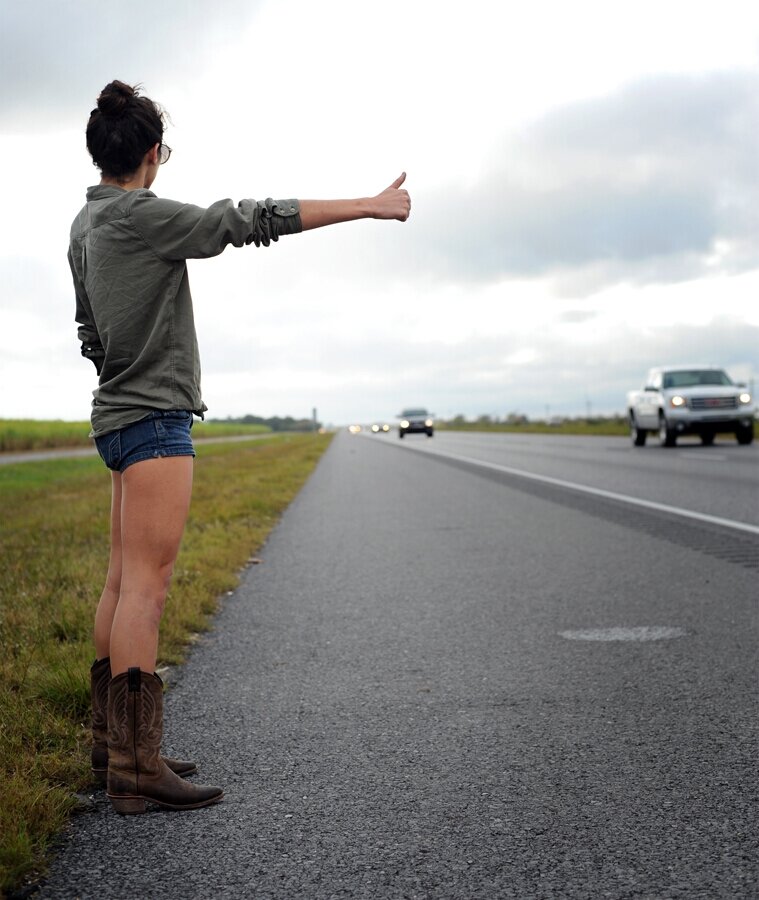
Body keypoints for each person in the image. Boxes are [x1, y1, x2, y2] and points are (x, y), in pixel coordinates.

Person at [69, 80, 410, 815]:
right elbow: (244, 220)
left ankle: (112, 747)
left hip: (115, 416)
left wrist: (119, 372)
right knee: (148, 589)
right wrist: (366, 204)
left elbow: (88, 331)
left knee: (120, 582)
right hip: (155, 417)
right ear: (152, 155)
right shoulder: (145, 216)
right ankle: (136, 769)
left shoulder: (85, 225)